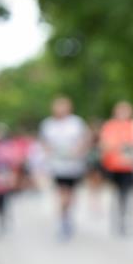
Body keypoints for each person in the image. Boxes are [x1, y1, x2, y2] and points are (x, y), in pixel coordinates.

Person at [39, 96, 90, 240]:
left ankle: (67, 216)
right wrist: (49, 152)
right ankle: (63, 220)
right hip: (57, 166)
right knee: (62, 194)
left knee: (70, 194)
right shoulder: (48, 124)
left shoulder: (76, 123)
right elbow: (43, 143)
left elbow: (85, 139)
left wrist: (79, 150)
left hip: (73, 166)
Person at [99, 101, 133, 237]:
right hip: (114, 166)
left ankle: (125, 220)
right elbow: (106, 145)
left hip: (128, 167)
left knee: (127, 195)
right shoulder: (110, 126)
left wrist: (123, 147)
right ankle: (116, 219)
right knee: (116, 194)